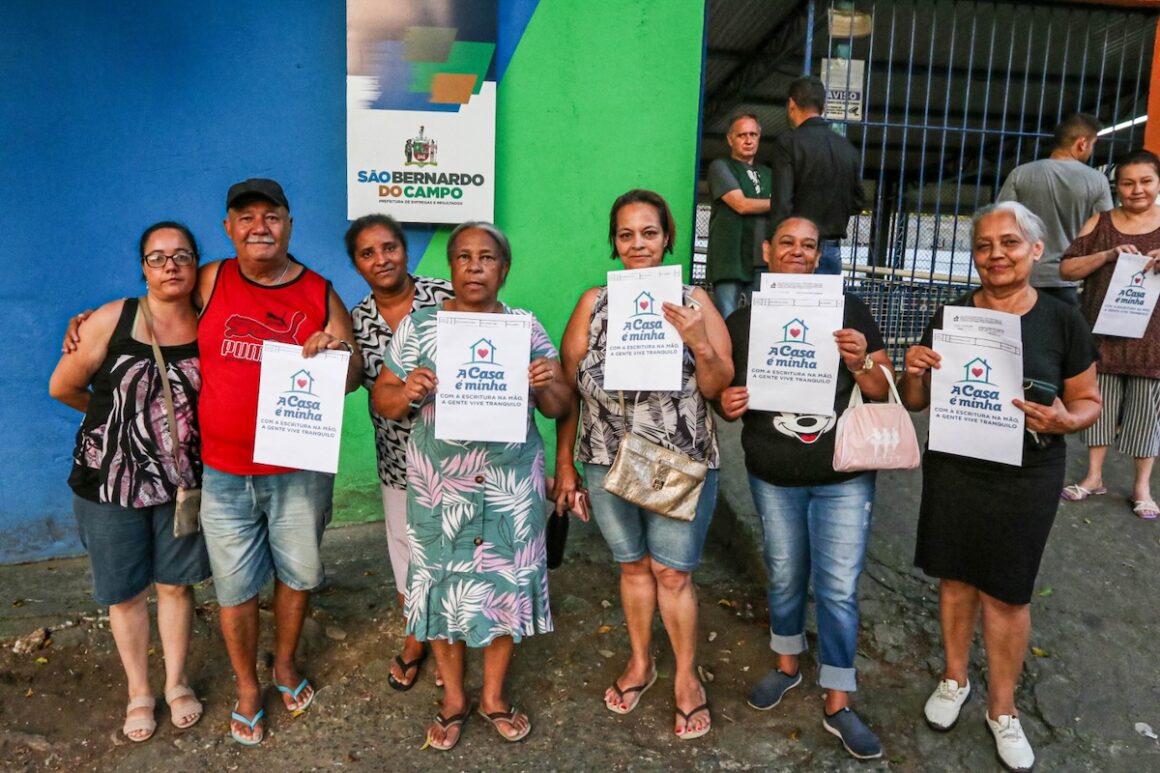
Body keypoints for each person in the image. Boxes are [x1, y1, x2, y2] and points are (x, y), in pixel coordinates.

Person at [899, 201, 1100, 772]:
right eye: (984, 246)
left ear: (1035, 250)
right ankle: (954, 677)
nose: (996, 255)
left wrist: (1066, 421)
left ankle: (1002, 707)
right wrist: (913, 370)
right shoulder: (952, 315)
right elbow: (918, 403)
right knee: (956, 578)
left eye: (1009, 243)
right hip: (957, 466)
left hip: (1027, 474)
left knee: (1007, 593)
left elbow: (1088, 402)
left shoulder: (1061, 319)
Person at [372, 222, 571, 751]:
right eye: (464, 257)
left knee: (504, 585)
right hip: (441, 488)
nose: (475, 266)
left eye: (487, 257)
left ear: (504, 270)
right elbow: (382, 400)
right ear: (452, 268)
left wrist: (548, 381)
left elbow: (558, 407)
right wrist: (408, 390)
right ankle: (455, 698)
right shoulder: (420, 328)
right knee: (441, 585)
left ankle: (494, 697)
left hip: (510, 485)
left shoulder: (525, 328)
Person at [555, 189, 733, 740]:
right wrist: (564, 463)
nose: (637, 244)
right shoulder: (593, 303)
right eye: (626, 234)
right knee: (632, 566)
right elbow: (568, 391)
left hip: (676, 459)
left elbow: (718, 385)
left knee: (672, 573)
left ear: (668, 238)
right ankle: (641, 662)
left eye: (648, 233)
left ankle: (685, 677)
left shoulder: (694, 300)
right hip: (606, 459)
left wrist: (699, 342)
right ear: (614, 240)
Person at [718, 216, 892, 761]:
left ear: (819, 255)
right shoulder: (744, 321)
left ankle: (839, 698)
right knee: (787, 572)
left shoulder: (850, 311)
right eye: (786, 243)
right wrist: (725, 402)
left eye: (808, 245)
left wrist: (860, 360)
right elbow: (721, 387)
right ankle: (787, 664)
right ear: (768, 251)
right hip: (773, 472)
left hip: (844, 474)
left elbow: (884, 391)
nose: (797, 252)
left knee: (838, 587)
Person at [196, 179, 362, 745]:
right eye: (246, 217)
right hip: (222, 469)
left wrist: (338, 354)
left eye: (271, 216)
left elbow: (356, 370)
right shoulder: (210, 279)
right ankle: (247, 685)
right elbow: (156, 316)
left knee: (298, 574)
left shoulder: (318, 292)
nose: (259, 226)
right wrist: (91, 324)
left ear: (290, 224)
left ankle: (285, 663)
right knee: (235, 588)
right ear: (229, 229)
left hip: (297, 470)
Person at [49, 222, 211, 742]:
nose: (170, 265)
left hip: (182, 485)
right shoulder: (112, 319)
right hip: (108, 484)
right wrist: (116, 426)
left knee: (175, 586)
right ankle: (140, 691)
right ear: (143, 266)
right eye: (158, 257)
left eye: (182, 256)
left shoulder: (211, 324)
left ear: (195, 265)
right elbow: (64, 386)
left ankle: (177, 683)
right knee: (125, 593)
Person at [347, 213, 453, 690]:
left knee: (458, 549)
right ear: (357, 264)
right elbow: (352, 383)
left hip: (458, 455)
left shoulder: (444, 296)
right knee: (406, 555)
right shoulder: (357, 320)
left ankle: (457, 635)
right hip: (398, 459)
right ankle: (415, 638)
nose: (381, 259)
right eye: (367, 253)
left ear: (405, 250)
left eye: (388, 247)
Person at [1059, 149, 1160, 517]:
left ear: (1158, 183)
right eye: (1128, 183)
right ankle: (1094, 477)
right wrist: (1106, 255)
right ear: (1116, 186)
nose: (1137, 190)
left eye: (1145, 181)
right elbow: (1066, 269)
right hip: (1103, 337)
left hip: (1153, 342)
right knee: (1097, 408)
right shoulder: (1100, 223)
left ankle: (1142, 487)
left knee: (1146, 416)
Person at [997, 113, 1113, 306]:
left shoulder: (1021, 174)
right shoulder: (1097, 180)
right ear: (1082, 143)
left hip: (1023, 276)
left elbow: (1000, 222)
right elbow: (1105, 231)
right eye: (1092, 145)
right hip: (1067, 280)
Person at [770, 76, 865, 275]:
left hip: (796, 251)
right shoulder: (846, 147)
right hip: (832, 248)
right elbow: (857, 202)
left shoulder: (789, 143)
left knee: (790, 306)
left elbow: (782, 202)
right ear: (822, 107)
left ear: (791, 104)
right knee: (827, 306)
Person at [706, 113, 772, 318]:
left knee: (762, 320)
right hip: (729, 257)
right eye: (742, 135)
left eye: (753, 134)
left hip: (761, 257)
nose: (748, 140)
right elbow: (741, 205)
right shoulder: (720, 166)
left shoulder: (769, 172)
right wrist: (779, 204)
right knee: (728, 320)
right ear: (730, 139)